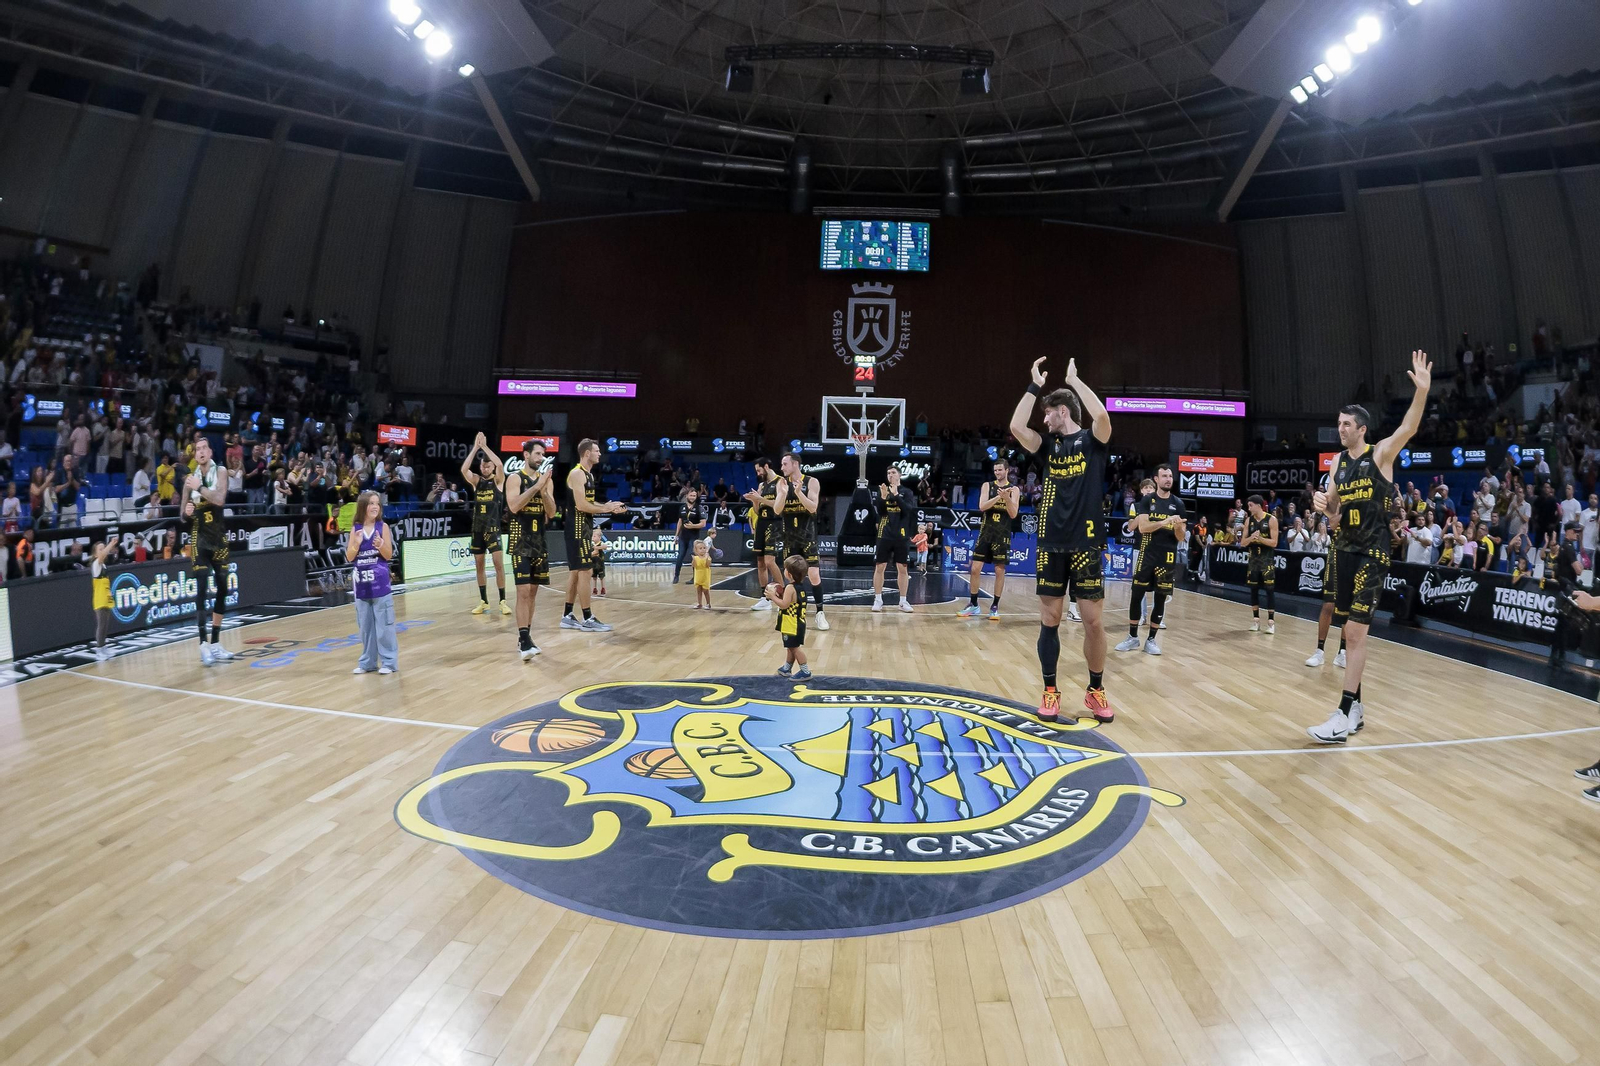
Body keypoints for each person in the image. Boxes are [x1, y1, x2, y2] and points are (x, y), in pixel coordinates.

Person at [1307, 350, 1433, 743]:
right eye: (1339, 424)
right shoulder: (1337, 465)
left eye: (1346, 424)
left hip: (1373, 553)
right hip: (1343, 549)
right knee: (1349, 634)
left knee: (1356, 634)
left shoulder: (1381, 454)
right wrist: (1325, 508)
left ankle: (1343, 714)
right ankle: (1357, 709)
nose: (1340, 428)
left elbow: (1408, 428)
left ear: (1361, 428)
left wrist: (1422, 392)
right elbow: (1334, 516)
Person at [1008, 355, 1114, 724]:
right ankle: (1050, 691)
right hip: (1052, 544)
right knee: (1050, 619)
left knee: (1093, 623)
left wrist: (1074, 380)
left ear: (1063, 411)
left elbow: (1102, 417)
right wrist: (1035, 385)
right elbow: (1015, 424)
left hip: (1086, 545)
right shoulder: (1047, 447)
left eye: (1048, 413)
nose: (1044, 419)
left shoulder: (1092, 441)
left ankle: (1095, 689)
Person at [1118, 463, 1187, 653]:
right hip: (1147, 554)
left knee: (1160, 598)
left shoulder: (1179, 504)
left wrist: (1178, 527)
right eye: (1164, 476)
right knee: (1137, 594)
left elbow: (1181, 537)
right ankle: (1132, 637)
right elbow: (1143, 528)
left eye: (1170, 476)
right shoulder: (1147, 501)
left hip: (1167, 556)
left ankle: (1151, 640)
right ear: (1156, 479)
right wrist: (1165, 521)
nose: (1168, 479)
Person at [563, 438, 627, 631]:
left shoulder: (588, 476)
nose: (600, 454)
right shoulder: (577, 474)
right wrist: (605, 508)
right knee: (585, 571)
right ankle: (588, 618)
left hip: (584, 526)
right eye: (597, 451)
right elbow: (581, 505)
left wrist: (609, 507)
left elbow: (589, 504)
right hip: (576, 527)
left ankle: (567, 615)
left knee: (576, 573)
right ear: (587, 453)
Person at [184, 435, 237, 665]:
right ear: (195, 455)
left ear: (210, 453)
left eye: (205, 447)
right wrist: (185, 513)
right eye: (198, 449)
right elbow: (182, 514)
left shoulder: (222, 471)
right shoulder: (189, 479)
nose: (201, 452)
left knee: (224, 589)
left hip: (218, 537)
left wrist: (201, 487)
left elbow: (219, 499)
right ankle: (203, 643)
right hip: (199, 538)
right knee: (202, 587)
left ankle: (215, 643)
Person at [505, 439, 558, 661]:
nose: (541, 458)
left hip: (539, 541)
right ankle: (523, 638)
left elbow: (552, 513)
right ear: (526, 455)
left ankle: (526, 635)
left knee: (534, 593)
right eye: (537, 453)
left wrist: (544, 491)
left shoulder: (546, 481)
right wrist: (536, 487)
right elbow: (514, 506)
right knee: (523, 591)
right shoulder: (515, 478)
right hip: (520, 540)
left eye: (543, 454)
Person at [774, 453, 830, 631]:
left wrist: (799, 493)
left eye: (784, 464)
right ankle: (792, 609)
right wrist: (783, 495)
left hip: (807, 535)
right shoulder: (781, 483)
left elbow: (813, 507)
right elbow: (777, 510)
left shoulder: (812, 482)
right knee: (789, 575)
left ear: (795, 464)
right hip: (789, 536)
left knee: (813, 574)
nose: (782, 468)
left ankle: (820, 612)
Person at [960, 459, 1021, 619]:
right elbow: (982, 506)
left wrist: (1007, 498)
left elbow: (1013, 514)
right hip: (986, 532)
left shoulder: (1014, 489)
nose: (997, 473)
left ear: (1007, 470)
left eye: (1000, 470)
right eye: (995, 470)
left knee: (999, 571)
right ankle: (973, 604)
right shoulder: (987, 485)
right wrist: (999, 497)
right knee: (974, 569)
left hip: (1002, 534)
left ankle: (995, 606)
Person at [346, 491, 398, 675]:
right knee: (366, 628)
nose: (375, 506)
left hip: (380, 585)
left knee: (384, 627)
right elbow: (350, 556)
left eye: (377, 503)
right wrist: (357, 544)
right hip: (361, 585)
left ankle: (389, 663)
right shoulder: (356, 529)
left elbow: (389, 555)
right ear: (363, 507)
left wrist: (380, 545)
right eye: (371, 503)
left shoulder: (382, 527)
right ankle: (367, 663)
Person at [460, 432, 510, 616]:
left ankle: (503, 601)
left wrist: (485, 446)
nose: (486, 469)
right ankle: (484, 601)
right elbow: (464, 470)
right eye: (483, 466)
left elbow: (500, 464)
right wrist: (475, 448)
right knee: (479, 565)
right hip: (477, 529)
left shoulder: (498, 481)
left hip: (493, 528)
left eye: (488, 466)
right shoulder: (477, 481)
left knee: (498, 564)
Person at [871, 466, 917, 613]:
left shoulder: (907, 492)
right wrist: (883, 497)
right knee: (880, 567)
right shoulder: (882, 490)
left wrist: (896, 495)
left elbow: (908, 510)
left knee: (902, 568)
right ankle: (878, 599)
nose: (890, 475)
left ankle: (903, 601)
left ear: (899, 475)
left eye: (893, 473)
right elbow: (880, 511)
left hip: (901, 534)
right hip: (884, 533)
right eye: (888, 473)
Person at [743, 458, 786, 611]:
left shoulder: (780, 482)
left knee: (769, 561)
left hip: (774, 523)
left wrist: (760, 499)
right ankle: (765, 598)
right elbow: (756, 511)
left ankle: (783, 594)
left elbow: (779, 506)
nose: (758, 473)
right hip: (761, 523)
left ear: (766, 467)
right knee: (760, 562)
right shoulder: (762, 485)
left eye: (759, 470)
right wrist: (755, 500)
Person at [766, 555, 812, 679]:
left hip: (791, 623)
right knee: (790, 647)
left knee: (795, 648)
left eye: (785, 569)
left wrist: (772, 597)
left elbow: (784, 605)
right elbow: (791, 602)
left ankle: (805, 671)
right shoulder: (800, 587)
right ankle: (787, 668)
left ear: (789, 574)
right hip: (798, 622)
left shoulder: (790, 588)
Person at [1240, 495, 1279, 634]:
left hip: (1266, 560)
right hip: (1253, 560)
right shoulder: (1248, 521)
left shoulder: (1271, 520)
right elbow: (1243, 543)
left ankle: (1271, 623)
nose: (1249, 508)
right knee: (1253, 589)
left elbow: (1274, 543)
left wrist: (1260, 538)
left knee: (1269, 590)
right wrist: (1252, 537)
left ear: (1258, 505)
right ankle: (1256, 621)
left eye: (1250, 505)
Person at [673, 487, 707, 584]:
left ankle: (695, 577)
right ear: (687, 496)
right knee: (680, 556)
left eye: (694, 496)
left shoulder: (699, 508)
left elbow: (703, 523)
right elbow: (680, 521)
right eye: (691, 495)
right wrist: (676, 535)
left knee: (694, 557)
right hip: (683, 537)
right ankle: (676, 576)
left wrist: (693, 526)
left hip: (694, 537)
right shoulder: (682, 508)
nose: (692, 497)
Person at [90, 539, 116, 658]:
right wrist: (111, 544)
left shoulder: (104, 565)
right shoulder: (96, 563)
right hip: (99, 599)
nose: (103, 551)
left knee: (105, 625)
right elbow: (101, 557)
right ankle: (99, 650)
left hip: (106, 597)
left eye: (103, 548)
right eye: (100, 549)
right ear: (95, 554)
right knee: (101, 625)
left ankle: (103, 646)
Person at [692, 538, 712, 609]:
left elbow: (708, 565)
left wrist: (707, 558)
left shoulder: (708, 557)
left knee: (706, 591)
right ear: (696, 550)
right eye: (700, 548)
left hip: (705, 577)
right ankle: (699, 603)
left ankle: (708, 604)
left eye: (704, 548)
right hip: (698, 577)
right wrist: (694, 560)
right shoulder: (696, 558)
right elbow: (694, 566)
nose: (703, 549)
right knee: (698, 590)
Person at [591, 529, 608, 598]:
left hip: (600, 564)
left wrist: (597, 548)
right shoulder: (591, 545)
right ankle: (594, 589)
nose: (593, 538)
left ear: (599, 537)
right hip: (593, 564)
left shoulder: (601, 543)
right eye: (592, 536)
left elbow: (605, 547)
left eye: (594, 536)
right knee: (594, 577)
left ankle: (603, 589)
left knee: (601, 577)